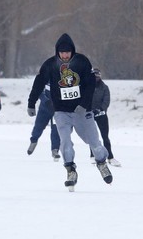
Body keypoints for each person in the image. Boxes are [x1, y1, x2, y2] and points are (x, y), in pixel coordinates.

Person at [27, 33, 113, 191]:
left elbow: (90, 84)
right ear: (57, 52)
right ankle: (70, 170)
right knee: (65, 142)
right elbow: (39, 82)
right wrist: (31, 102)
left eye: (67, 52)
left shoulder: (81, 62)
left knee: (94, 142)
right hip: (61, 111)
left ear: (72, 51)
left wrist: (84, 104)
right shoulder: (50, 64)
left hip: (81, 111)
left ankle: (102, 163)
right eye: (62, 52)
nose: (65, 55)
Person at [89, 68, 121, 167]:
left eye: (97, 76)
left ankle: (110, 157)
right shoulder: (87, 87)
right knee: (92, 136)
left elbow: (106, 100)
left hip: (101, 115)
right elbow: (85, 99)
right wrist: (89, 110)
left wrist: (101, 109)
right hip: (90, 115)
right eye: (93, 76)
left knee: (105, 137)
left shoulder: (104, 87)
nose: (95, 78)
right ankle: (92, 155)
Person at [27, 84, 61, 161]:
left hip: (57, 109)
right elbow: (38, 91)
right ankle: (33, 141)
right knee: (38, 127)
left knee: (56, 130)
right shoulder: (45, 76)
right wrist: (46, 101)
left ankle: (55, 150)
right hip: (45, 108)